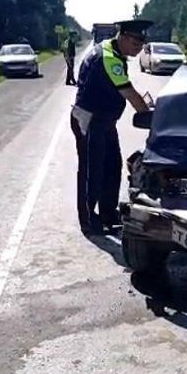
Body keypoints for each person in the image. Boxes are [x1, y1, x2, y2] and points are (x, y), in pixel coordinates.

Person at [71, 20, 152, 235]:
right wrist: (149, 115)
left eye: (141, 43)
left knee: (112, 166)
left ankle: (108, 212)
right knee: (92, 170)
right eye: (135, 43)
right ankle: (88, 220)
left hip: (105, 121)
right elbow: (128, 92)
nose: (139, 48)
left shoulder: (114, 53)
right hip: (90, 120)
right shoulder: (108, 58)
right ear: (123, 37)